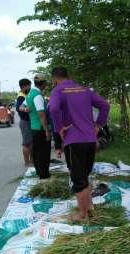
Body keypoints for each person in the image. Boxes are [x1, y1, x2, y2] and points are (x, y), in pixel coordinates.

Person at [49, 67, 110, 221]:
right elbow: (105, 105)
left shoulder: (58, 90)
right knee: (84, 175)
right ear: (68, 76)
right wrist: (98, 125)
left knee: (78, 179)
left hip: (74, 140)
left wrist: (59, 128)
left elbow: (54, 108)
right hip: (90, 140)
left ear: (54, 79)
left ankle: (82, 215)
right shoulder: (84, 89)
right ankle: (88, 206)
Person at [25, 74, 51, 180]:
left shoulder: (31, 93)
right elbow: (41, 114)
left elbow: (23, 106)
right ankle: (44, 175)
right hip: (40, 128)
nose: (46, 86)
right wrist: (47, 130)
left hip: (34, 127)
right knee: (43, 153)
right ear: (43, 84)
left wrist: (28, 110)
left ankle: (39, 172)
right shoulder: (38, 96)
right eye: (45, 84)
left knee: (37, 151)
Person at [15, 78, 32, 166]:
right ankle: (27, 162)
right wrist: (27, 109)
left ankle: (31, 160)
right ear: (24, 86)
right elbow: (18, 108)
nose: (30, 87)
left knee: (31, 142)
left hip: (28, 121)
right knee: (26, 143)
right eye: (29, 85)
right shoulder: (21, 96)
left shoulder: (26, 94)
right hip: (25, 122)